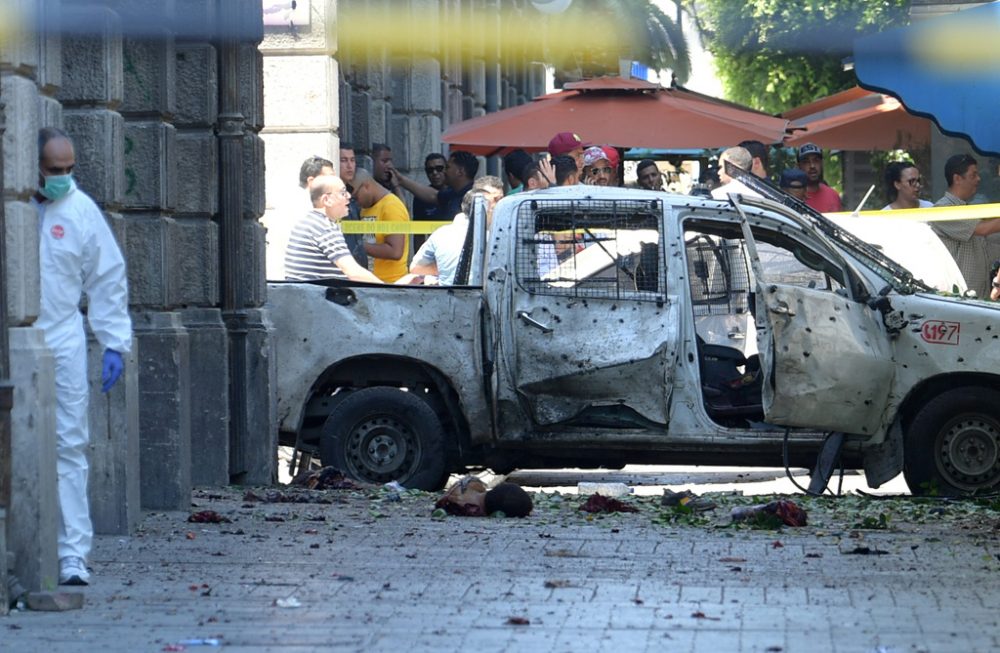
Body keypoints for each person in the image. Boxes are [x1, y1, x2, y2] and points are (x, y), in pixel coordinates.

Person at [32, 127, 132, 586]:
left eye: (70, 170)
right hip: (16, 342)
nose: (64, 179)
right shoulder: (17, 209)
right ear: (33, 166)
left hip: (63, 338)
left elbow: (107, 276)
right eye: (55, 171)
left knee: (70, 444)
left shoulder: (80, 210)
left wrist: (113, 341)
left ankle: (72, 553)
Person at [285, 174, 384, 283]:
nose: (349, 196)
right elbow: (353, 272)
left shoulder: (308, 221)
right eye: (343, 193)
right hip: (313, 297)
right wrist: (387, 291)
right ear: (327, 200)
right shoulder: (325, 227)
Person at [932, 154, 1000, 297]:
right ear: (957, 178)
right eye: (973, 175)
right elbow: (983, 229)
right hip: (958, 299)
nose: (978, 179)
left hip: (975, 297)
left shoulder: (967, 210)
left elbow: (988, 238)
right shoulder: (943, 209)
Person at [410, 186, 502, 284]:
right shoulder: (492, 239)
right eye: (493, 210)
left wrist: (443, 267)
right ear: (484, 212)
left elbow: (416, 268)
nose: (495, 215)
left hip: (446, 296)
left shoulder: (440, 234)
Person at [351, 168, 411, 283]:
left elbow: (395, 251)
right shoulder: (366, 207)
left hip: (392, 284)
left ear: (366, 186)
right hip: (373, 283)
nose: (356, 202)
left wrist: (358, 245)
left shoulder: (391, 206)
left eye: (355, 197)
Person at [391, 150, 478, 221]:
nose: (444, 172)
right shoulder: (453, 194)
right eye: (430, 170)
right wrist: (401, 180)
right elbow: (434, 196)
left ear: (460, 171)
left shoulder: (474, 199)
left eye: (447, 167)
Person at [335, 146, 368, 267]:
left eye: (352, 160)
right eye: (344, 160)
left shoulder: (352, 199)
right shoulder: (332, 200)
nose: (349, 166)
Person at [411, 153, 447, 250]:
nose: (435, 173)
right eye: (430, 170)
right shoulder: (420, 197)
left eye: (439, 168)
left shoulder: (456, 193)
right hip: (435, 250)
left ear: (446, 169)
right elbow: (418, 233)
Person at [796, 143, 843, 212]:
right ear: (799, 166)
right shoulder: (794, 198)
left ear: (821, 163)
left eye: (816, 160)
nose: (812, 166)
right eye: (806, 162)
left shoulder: (833, 195)